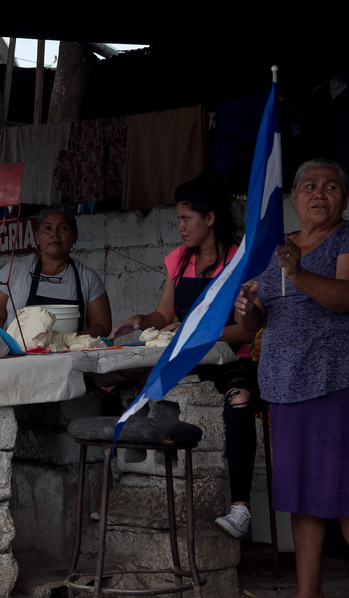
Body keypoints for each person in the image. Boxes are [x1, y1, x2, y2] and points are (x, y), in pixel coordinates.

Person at [235, 158, 349, 598]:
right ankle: (309, 596)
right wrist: (247, 308)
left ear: (344, 198)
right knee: (300, 493)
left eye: (331, 186)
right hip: (286, 385)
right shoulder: (278, 248)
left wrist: (297, 271)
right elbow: (255, 322)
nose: (319, 193)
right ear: (294, 197)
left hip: (340, 379)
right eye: (309, 186)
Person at [110, 172, 259, 540]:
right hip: (186, 361)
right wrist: (141, 320)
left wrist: (198, 334)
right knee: (123, 392)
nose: (179, 227)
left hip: (230, 361)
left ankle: (240, 507)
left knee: (240, 401)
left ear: (209, 218)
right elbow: (164, 315)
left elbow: (245, 331)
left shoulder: (240, 261)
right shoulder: (178, 260)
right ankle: (123, 498)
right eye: (178, 219)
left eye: (185, 218)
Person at [0, 206, 112, 338]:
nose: (55, 234)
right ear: (37, 237)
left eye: (63, 228)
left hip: (70, 351)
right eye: (48, 228)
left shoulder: (88, 278)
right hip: (18, 351)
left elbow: (102, 326)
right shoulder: (13, 271)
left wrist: (68, 342)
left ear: (74, 236)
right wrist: (2, 341)